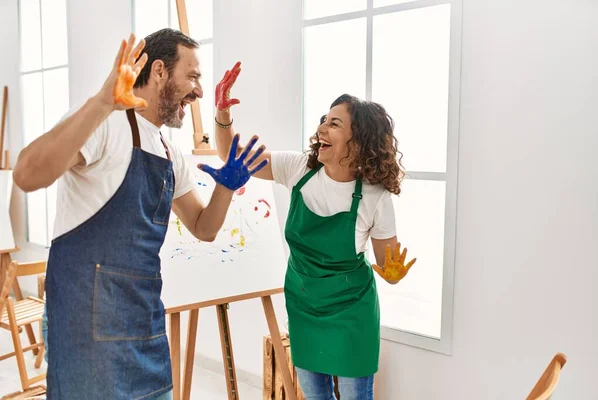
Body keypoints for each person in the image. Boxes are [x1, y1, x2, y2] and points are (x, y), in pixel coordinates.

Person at [13, 30, 267, 399]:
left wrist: (226, 187)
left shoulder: (168, 151)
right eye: (192, 76)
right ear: (160, 70)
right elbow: (27, 174)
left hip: (144, 323)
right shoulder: (105, 123)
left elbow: (203, 227)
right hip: (88, 329)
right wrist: (101, 102)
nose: (198, 91)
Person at [211, 62, 417, 400]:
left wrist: (393, 274)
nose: (322, 127)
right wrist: (221, 112)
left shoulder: (374, 196)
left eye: (334, 123)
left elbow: (387, 266)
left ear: (359, 140)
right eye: (324, 119)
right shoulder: (299, 168)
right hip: (304, 305)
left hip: (352, 312)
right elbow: (230, 155)